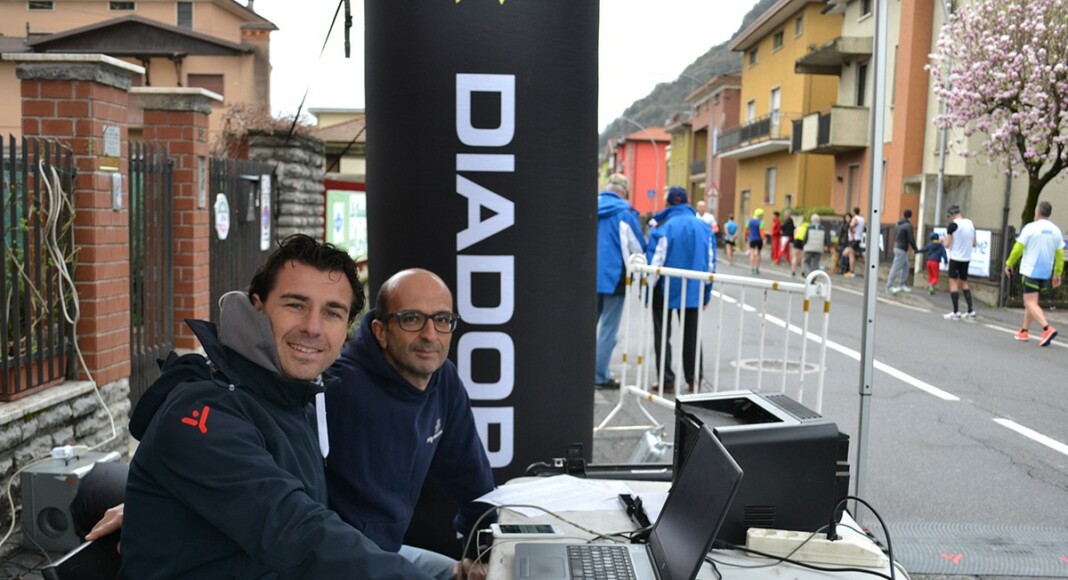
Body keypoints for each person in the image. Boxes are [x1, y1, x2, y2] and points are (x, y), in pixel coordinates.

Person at [118, 234, 434, 579]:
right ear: (258, 307)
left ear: (346, 328)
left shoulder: (292, 396)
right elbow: (293, 529)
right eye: (295, 305)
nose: (312, 328)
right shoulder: (203, 408)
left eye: (332, 312)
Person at [325, 269, 495, 580]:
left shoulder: (443, 378)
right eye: (411, 319)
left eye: (442, 320)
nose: (430, 335)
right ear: (380, 331)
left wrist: (479, 552)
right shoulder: (337, 388)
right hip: (339, 562)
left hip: (389, 552)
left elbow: (470, 476)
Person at [647, 186, 715, 394]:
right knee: (692, 335)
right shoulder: (704, 227)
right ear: (687, 203)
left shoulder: (662, 227)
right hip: (693, 289)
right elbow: (710, 265)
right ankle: (694, 380)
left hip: (664, 289)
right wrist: (706, 294)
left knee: (662, 335)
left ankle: (666, 380)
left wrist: (647, 291)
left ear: (668, 203)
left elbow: (655, 263)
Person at [594, 173, 646, 389]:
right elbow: (638, 247)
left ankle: (577, 369)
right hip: (614, 277)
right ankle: (599, 375)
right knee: (608, 328)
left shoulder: (590, 206)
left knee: (585, 326)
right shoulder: (624, 213)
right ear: (624, 191)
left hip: (587, 275)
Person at [1004, 201, 1063, 346]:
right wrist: (1057, 273)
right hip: (1046, 272)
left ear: (1037, 212)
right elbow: (1060, 254)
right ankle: (1024, 331)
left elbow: (1018, 248)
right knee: (1032, 303)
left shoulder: (1030, 228)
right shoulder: (1056, 230)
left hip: (1031, 269)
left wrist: (1009, 263)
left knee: (1029, 302)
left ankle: (1047, 328)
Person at [942, 204, 978, 319]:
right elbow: (974, 243)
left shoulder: (953, 225)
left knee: (953, 283)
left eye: (949, 216)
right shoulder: (970, 223)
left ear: (952, 215)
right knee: (964, 283)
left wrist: (943, 240)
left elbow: (947, 245)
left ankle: (956, 311)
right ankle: (970, 310)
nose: (949, 218)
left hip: (955, 257)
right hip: (966, 258)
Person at [886, 209, 920, 293]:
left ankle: (902, 284)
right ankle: (889, 286)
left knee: (906, 267)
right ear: (910, 216)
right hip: (901, 249)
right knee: (896, 268)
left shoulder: (898, 223)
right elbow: (911, 239)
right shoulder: (908, 225)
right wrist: (915, 249)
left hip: (897, 247)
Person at [844, 207, 865, 277]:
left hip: (854, 239)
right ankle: (859, 256)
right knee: (845, 253)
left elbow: (852, 225)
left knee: (851, 255)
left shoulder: (855, 218)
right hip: (858, 238)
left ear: (853, 212)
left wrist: (850, 226)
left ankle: (852, 271)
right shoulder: (862, 218)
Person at [747, 208, 765, 275]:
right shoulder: (761, 222)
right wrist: (763, 239)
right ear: (760, 215)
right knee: (758, 253)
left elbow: (746, 230)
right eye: (762, 215)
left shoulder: (749, 221)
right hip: (759, 239)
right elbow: (761, 231)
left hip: (752, 238)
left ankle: (752, 268)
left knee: (752, 253)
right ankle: (757, 268)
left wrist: (746, 237)